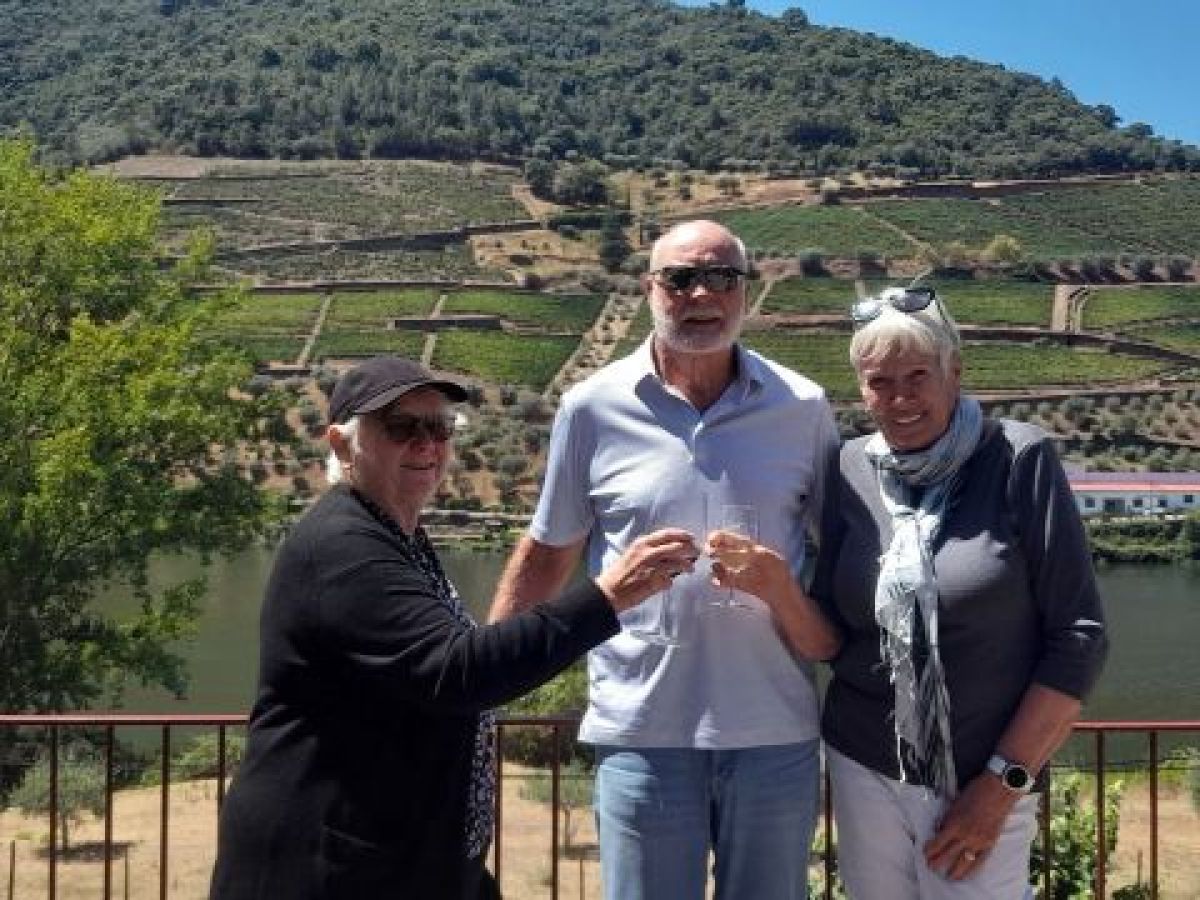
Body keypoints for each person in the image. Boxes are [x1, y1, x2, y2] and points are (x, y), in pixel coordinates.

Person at [208, 356, 699, 900]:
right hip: (328, 867)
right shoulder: (343, 548)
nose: (426, 444)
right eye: (401, 427)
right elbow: (459, 672)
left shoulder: (393, 535)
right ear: (341, 444)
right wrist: (608, 597)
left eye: (439, 427)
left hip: (397, 859)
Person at [713, 285, 1108, 899]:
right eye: (879, 382)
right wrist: (776, 587)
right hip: (861, 761)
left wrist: (1002, 784)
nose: (898, 398)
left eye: (917, 376)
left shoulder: (1017, 457)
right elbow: (832, 641)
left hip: (982, 773)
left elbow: (1078, 640)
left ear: (956, 371)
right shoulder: (847, 470)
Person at [490, 220, 840, 900]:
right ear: (651, 289)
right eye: (680, 278)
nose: (701, 293)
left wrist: (788, 597)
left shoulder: (803, 408)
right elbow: (546, 553)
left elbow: (843, 562)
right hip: (641, 732)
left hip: (775, 733)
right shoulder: (590, 406)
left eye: (721, 278)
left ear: (746, 292)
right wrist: (482, 682)